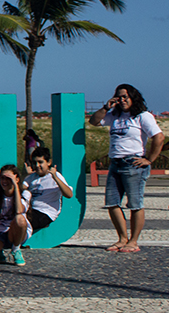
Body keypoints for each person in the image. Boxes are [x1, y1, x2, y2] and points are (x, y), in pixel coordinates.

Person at [89, 84, 164, 253]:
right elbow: (93, 121)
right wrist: (105, 107)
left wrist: (149, 159)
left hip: (133, 164)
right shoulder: (114, 116)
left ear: (133, 97)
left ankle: (133, 241)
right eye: (119, 97)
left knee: (135, 204)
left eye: (125, 97)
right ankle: (122, 238)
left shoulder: (142, 116)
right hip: (115, 162)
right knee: (112, 203)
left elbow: (158, 137)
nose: (122, 100)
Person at [24, 147, 73, 240]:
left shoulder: (55, 176)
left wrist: (55, 177)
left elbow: (69, 194)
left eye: (40, 162)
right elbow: (20, 190)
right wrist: (25, 175)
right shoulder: (32, 177)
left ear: (48, 162)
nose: (37, 165)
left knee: (22, 219)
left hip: (45, 213)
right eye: (34, 163)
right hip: (32, 210)